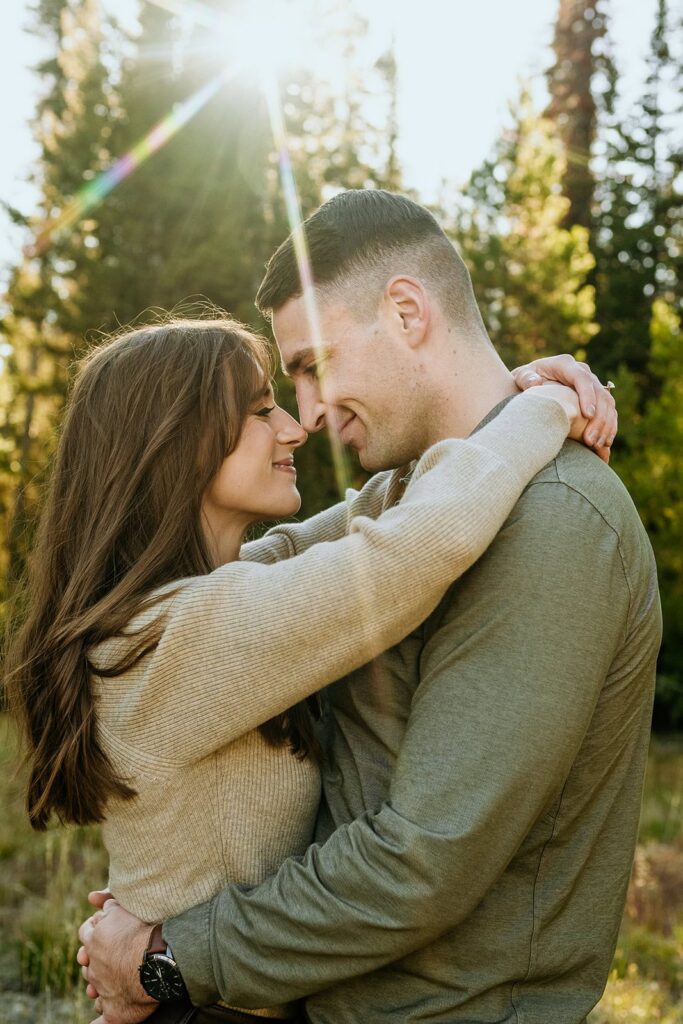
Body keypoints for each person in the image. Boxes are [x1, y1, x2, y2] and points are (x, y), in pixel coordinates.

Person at [79, 190, 660, 1024]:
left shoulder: (554, 520)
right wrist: (540, 396)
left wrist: (170, 956)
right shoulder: (404, 501)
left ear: (405, 311)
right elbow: (270, 568)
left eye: (313, 364)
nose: (305, 416)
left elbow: (422, 862)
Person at [6, 311, 595, 1024]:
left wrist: (494, 405)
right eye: (261, 411)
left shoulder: (170, 612)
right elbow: (414, 547)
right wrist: (546, 407)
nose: (294, 427)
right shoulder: (183, 637)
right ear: (178, 444)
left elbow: (361, 521)